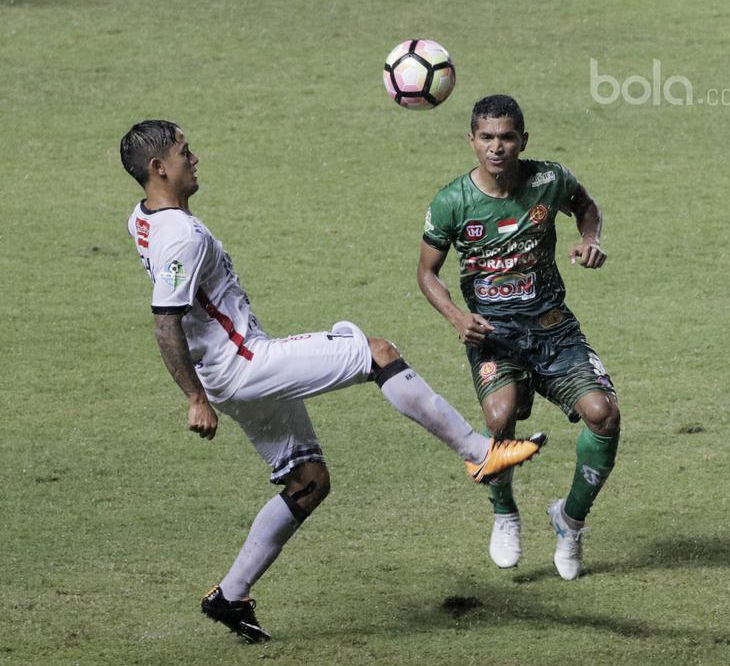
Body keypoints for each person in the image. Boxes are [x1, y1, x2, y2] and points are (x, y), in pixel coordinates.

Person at [120, 120, 546, 642]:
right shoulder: (180, 236)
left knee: (308, 482)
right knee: (378, 353)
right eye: (185, 152)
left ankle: (230, 597)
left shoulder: (143, 219)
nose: (196, 158)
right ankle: (480, 452)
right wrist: (193, 399)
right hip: (244, 364)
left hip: (231, 370)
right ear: (159, 168)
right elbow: (165, 320)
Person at [417, 95, 620, 581]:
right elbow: (427, 272)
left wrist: (591, 241)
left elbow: (586, 207)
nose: (497, 147)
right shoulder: (451, 202)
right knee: (499, 416)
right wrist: (454, 316)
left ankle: (569, 521)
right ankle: (505, 513)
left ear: (522, 140)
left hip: (554, 329)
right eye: (486, 137)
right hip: (493, 337)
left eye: (507, 137)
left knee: (605, 415)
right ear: (471, 141)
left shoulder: (550, 180)